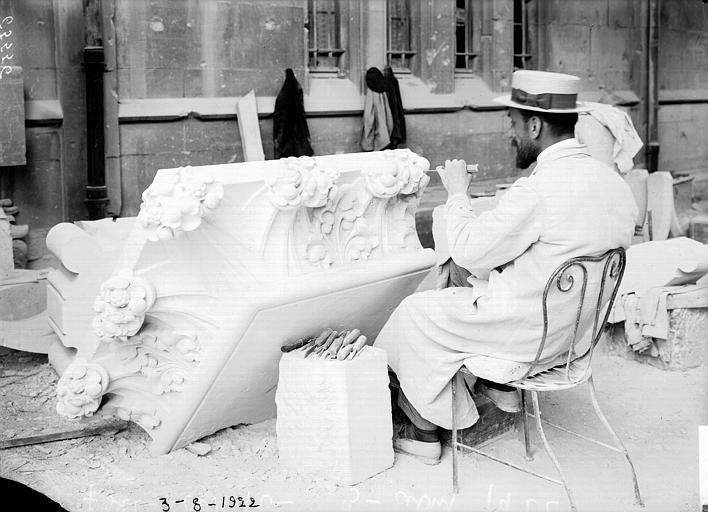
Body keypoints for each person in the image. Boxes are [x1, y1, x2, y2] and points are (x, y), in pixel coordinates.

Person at [374, 70, 638, 465]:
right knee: (466, 278)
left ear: (535, 124)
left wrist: (458, 194)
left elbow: (467, 249)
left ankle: (423, 431)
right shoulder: (612, 182)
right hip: (573, 336)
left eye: (512, 124)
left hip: (528, 339)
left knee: (413, 313)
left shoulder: (537, 190)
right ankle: (498, 386)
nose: (509, 134)